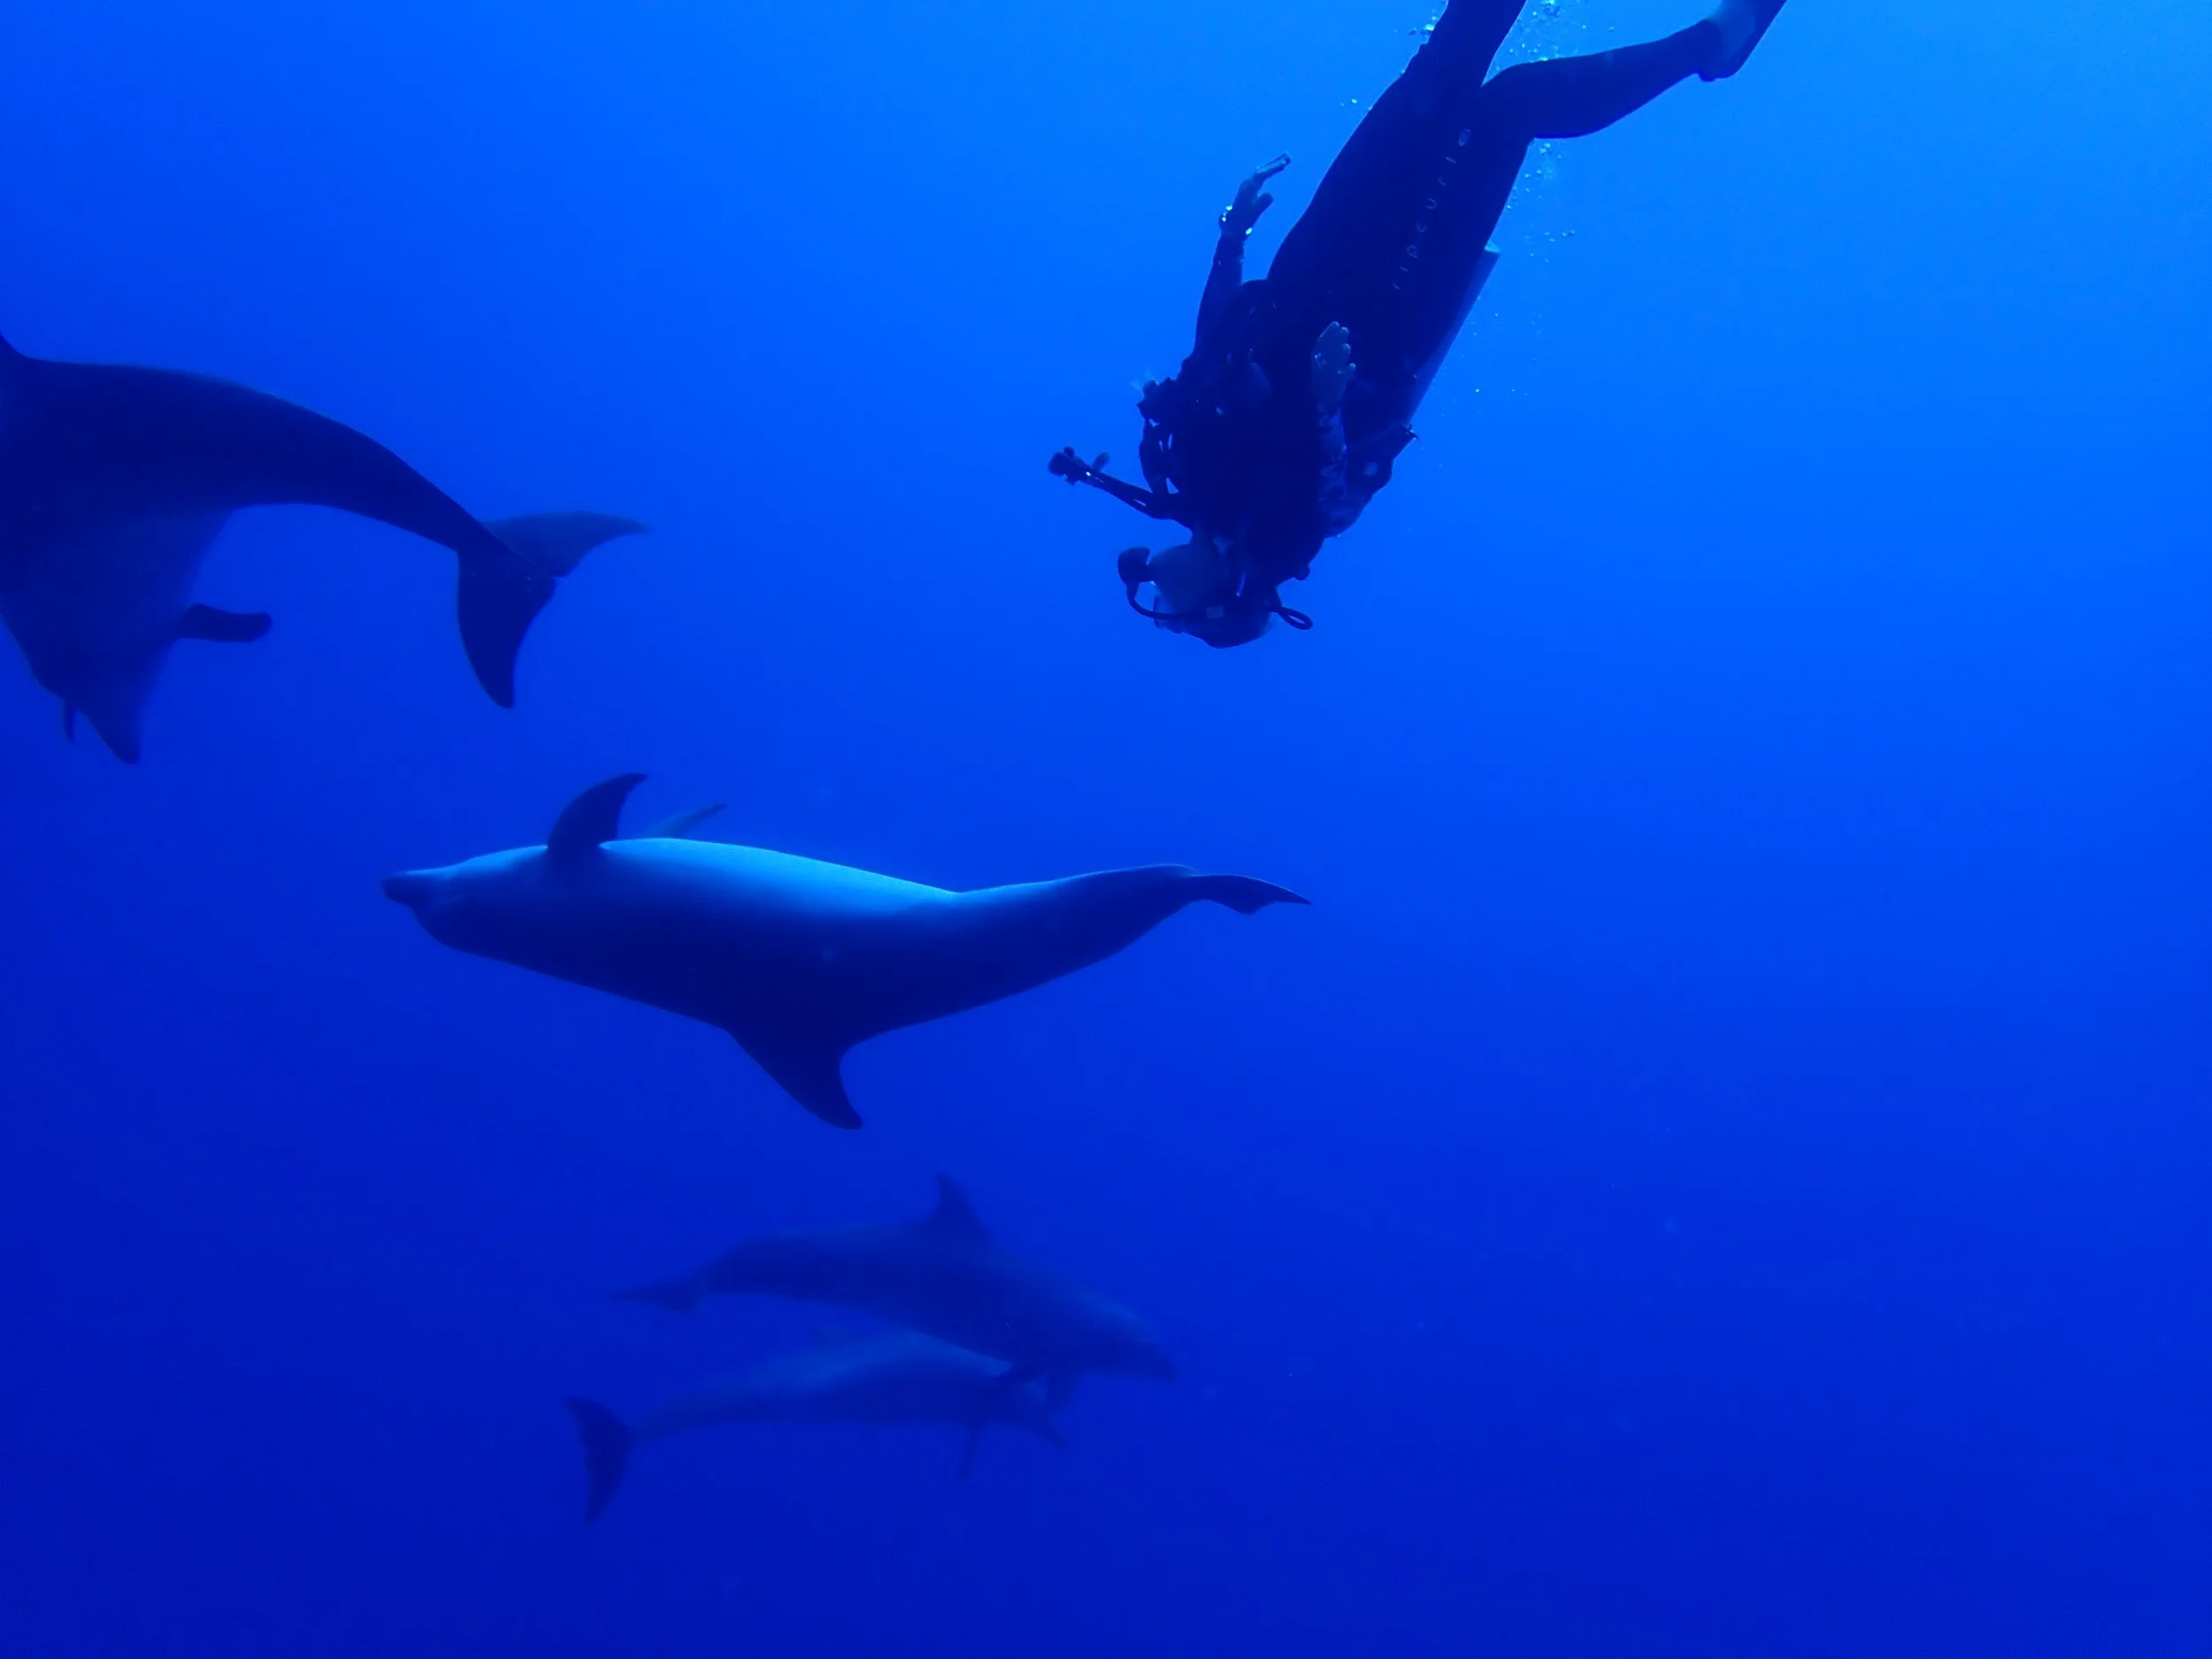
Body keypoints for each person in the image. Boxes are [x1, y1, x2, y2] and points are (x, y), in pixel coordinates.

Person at [1051, 0, 1791, 648]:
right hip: (1387, 306)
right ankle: (1715, 43)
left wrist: (1230, 238)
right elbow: (1334, 477)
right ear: (1219, 601)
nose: (1154, 589)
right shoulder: (1278, 536)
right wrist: (1325, 400)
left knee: (1439, 68)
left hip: (1311, 258)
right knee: (1509, 107)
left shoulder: (1185, 473)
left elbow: (1209, 346)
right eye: (1169, 609)